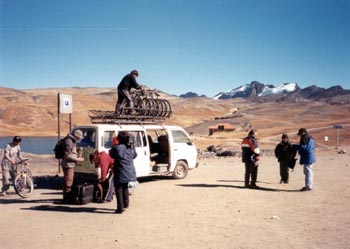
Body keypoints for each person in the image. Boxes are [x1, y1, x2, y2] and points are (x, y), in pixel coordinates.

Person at [109, 131, 137, 214]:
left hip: (120, 171)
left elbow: (111, 155)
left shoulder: (116, 148)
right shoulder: (131, 147)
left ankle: (120, 208)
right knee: (125, 187)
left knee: (119, 189)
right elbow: (134, 155)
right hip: (129, 171)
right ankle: (126, 203)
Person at [61, 129, 85, 203]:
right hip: (68, 165)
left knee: (68, 180)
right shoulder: (69, 142)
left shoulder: (71, 141)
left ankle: (67, 197)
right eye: (79, 137)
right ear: (76, 135)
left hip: (69, 164)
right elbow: (67, 156)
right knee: (68, 181)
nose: (79, 139)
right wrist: (78, 159)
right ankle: (66, 198)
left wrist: (76, 150)